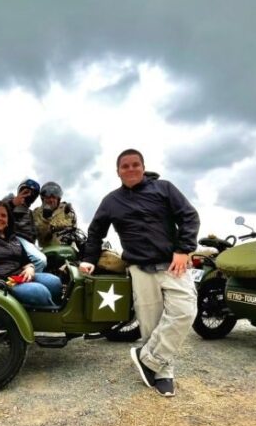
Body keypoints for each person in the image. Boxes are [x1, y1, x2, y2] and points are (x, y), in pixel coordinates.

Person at [79, 148, 199, 397]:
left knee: (185, 312)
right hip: (140, 269)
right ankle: (163, 373)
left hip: (172, 264)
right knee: (151, 323)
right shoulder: (111, 201)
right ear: (118, 172)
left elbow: (189, 216)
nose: (131, 169)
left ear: (143, 167)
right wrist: (89, 259)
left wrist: (183, 249)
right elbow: (96, 231)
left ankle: (148, 360)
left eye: (135, 164)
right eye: (125, 166)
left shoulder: (164, 188)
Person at [3, 179, 47, 271]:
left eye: (33, 193)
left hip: (28, 244)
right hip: (14, 238)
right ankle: (28, 279)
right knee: (40, 260)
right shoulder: (11, 199)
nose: (29, 195)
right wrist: (13, 203)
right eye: (26, 191)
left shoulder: (30, 213)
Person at [32, 181, 78, 248]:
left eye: (54, 197)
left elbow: (70, 225)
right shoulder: (36, 213)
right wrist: (46, 219)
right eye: (48, 197)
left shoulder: (66, 209)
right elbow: (40, 236)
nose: (51, 200)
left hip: (67, 249)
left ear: (58, 199)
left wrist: (53, 227)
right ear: (43, 198)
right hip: (47, 250)